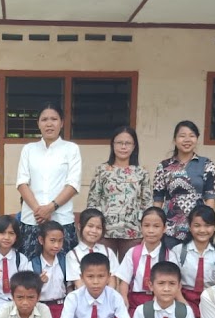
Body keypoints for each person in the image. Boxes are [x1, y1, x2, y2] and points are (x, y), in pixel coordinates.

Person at [16, 102, 82, 259]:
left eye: (54, 119)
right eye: (44, 119)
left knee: (64, 270)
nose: (49, 123)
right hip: (32, 220)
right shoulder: (28, 149)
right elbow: (22, 182)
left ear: (62, 123)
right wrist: (39, 210)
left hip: (61, 219)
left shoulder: (71, 149)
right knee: (30, 271)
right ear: (38, 123)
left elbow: (73, 184)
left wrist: (51, 208)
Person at [87, 126, 153, 259]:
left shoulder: (141, 172)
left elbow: (147, 204)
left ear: (134, 146)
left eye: (128, 143)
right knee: (103, 270)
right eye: (119, 143)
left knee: (130, 273)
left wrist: (146, 230)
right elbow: (93, 202)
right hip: (104, 231)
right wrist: (92, 228)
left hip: (133, 232)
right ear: (112, 145)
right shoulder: (102, 170)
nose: (123, 147)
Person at [153, 120, 215, 249]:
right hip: (171, 227)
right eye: (182, 136)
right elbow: (158, 199)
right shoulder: (164, 166)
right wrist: (156, 225)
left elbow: (210, 197)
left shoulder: (206, 164)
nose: (187, 139)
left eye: (192, 135)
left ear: (197, 139)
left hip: (198, 226)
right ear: (175, 140)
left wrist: (207, 222)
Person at [169, 204, 215, 318]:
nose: (202, 230)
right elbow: (173, 282)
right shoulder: (178, 251)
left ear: (214, 227)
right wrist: (185, 307)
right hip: (182, 299)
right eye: (197, 226)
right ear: (189, 227)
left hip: (211, 300)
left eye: (207, 225)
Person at [115, 207, 173, 315]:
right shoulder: (133, 253)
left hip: (160, 300)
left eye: (156, 226)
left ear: (164, 228)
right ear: (141, 227)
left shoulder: (169, 256)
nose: (151, 230)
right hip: (134, 301)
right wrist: (124, 298)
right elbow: (124, 281)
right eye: (146, 226)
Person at [29, 221, 68, 318]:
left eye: (60, 241)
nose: (56, 245)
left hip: (62, 307)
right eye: (52, 241)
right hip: (40, 308)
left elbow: (69, 287)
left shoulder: (65, 261)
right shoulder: (32, 264)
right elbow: (27, 290)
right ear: (41, 240)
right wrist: (38, 282)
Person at [66, 208, 119, 289]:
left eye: (98, 227)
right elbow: (78, 283)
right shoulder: (72, 255)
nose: (94, 231)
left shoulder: (108, 252)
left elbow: (112, 280)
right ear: (80, 226)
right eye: (90, 226)